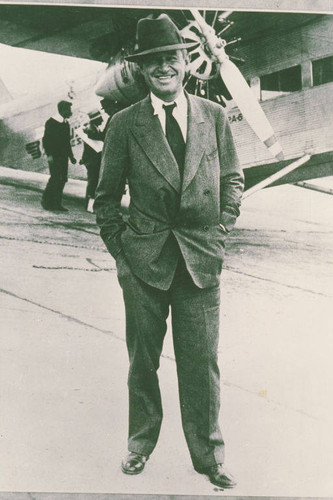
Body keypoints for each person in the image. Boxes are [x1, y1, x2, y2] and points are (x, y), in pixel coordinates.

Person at [94, 14, 244, 489]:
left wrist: (220, 230)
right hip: (144, 264)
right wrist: (124, 255)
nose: (164, 67)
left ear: (185, 62)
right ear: (141, 69)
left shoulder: (214, 117)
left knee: (202, 364)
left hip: (200, 260)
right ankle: (140, 444)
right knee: (143, 362)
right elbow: (104, 199)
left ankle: (209, 456)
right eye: (153, 60)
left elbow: (232, 180)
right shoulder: (123, 125)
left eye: (171, 58)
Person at [41, 100, 76, 212]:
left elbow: (67, 142)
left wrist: (71, 157)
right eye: (68, 110)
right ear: (62, 110)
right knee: (55, 179)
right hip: (55, 156)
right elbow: (46, 140)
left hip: (63, 157)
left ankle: (56, 204)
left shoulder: (66, 124)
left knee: (62, 179)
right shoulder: (51, 122)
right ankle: (46, 201)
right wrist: (49, 155)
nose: (70, 112)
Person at [80, 110, 104, 212]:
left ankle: (91, 205)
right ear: (95, 119)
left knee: (93, 182)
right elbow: (95, 137)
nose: (102, 120)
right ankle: (90, 206)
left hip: (92, 160)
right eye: (100, 118)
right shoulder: (92, 130)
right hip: (93, 161)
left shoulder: (94, 128)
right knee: (93, 182)